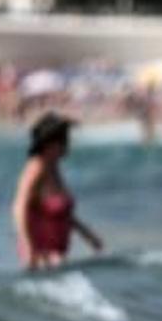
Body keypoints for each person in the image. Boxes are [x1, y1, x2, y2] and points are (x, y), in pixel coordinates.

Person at [11, 112, 104, 271]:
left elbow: (60, 212)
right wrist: (29, 246)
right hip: (41, 254)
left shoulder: (52, 167)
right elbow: (19, 207)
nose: (68, 145)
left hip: (57, 252)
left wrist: (87, 235)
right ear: (50, 144)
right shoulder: (36, 168)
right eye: (65, 141)